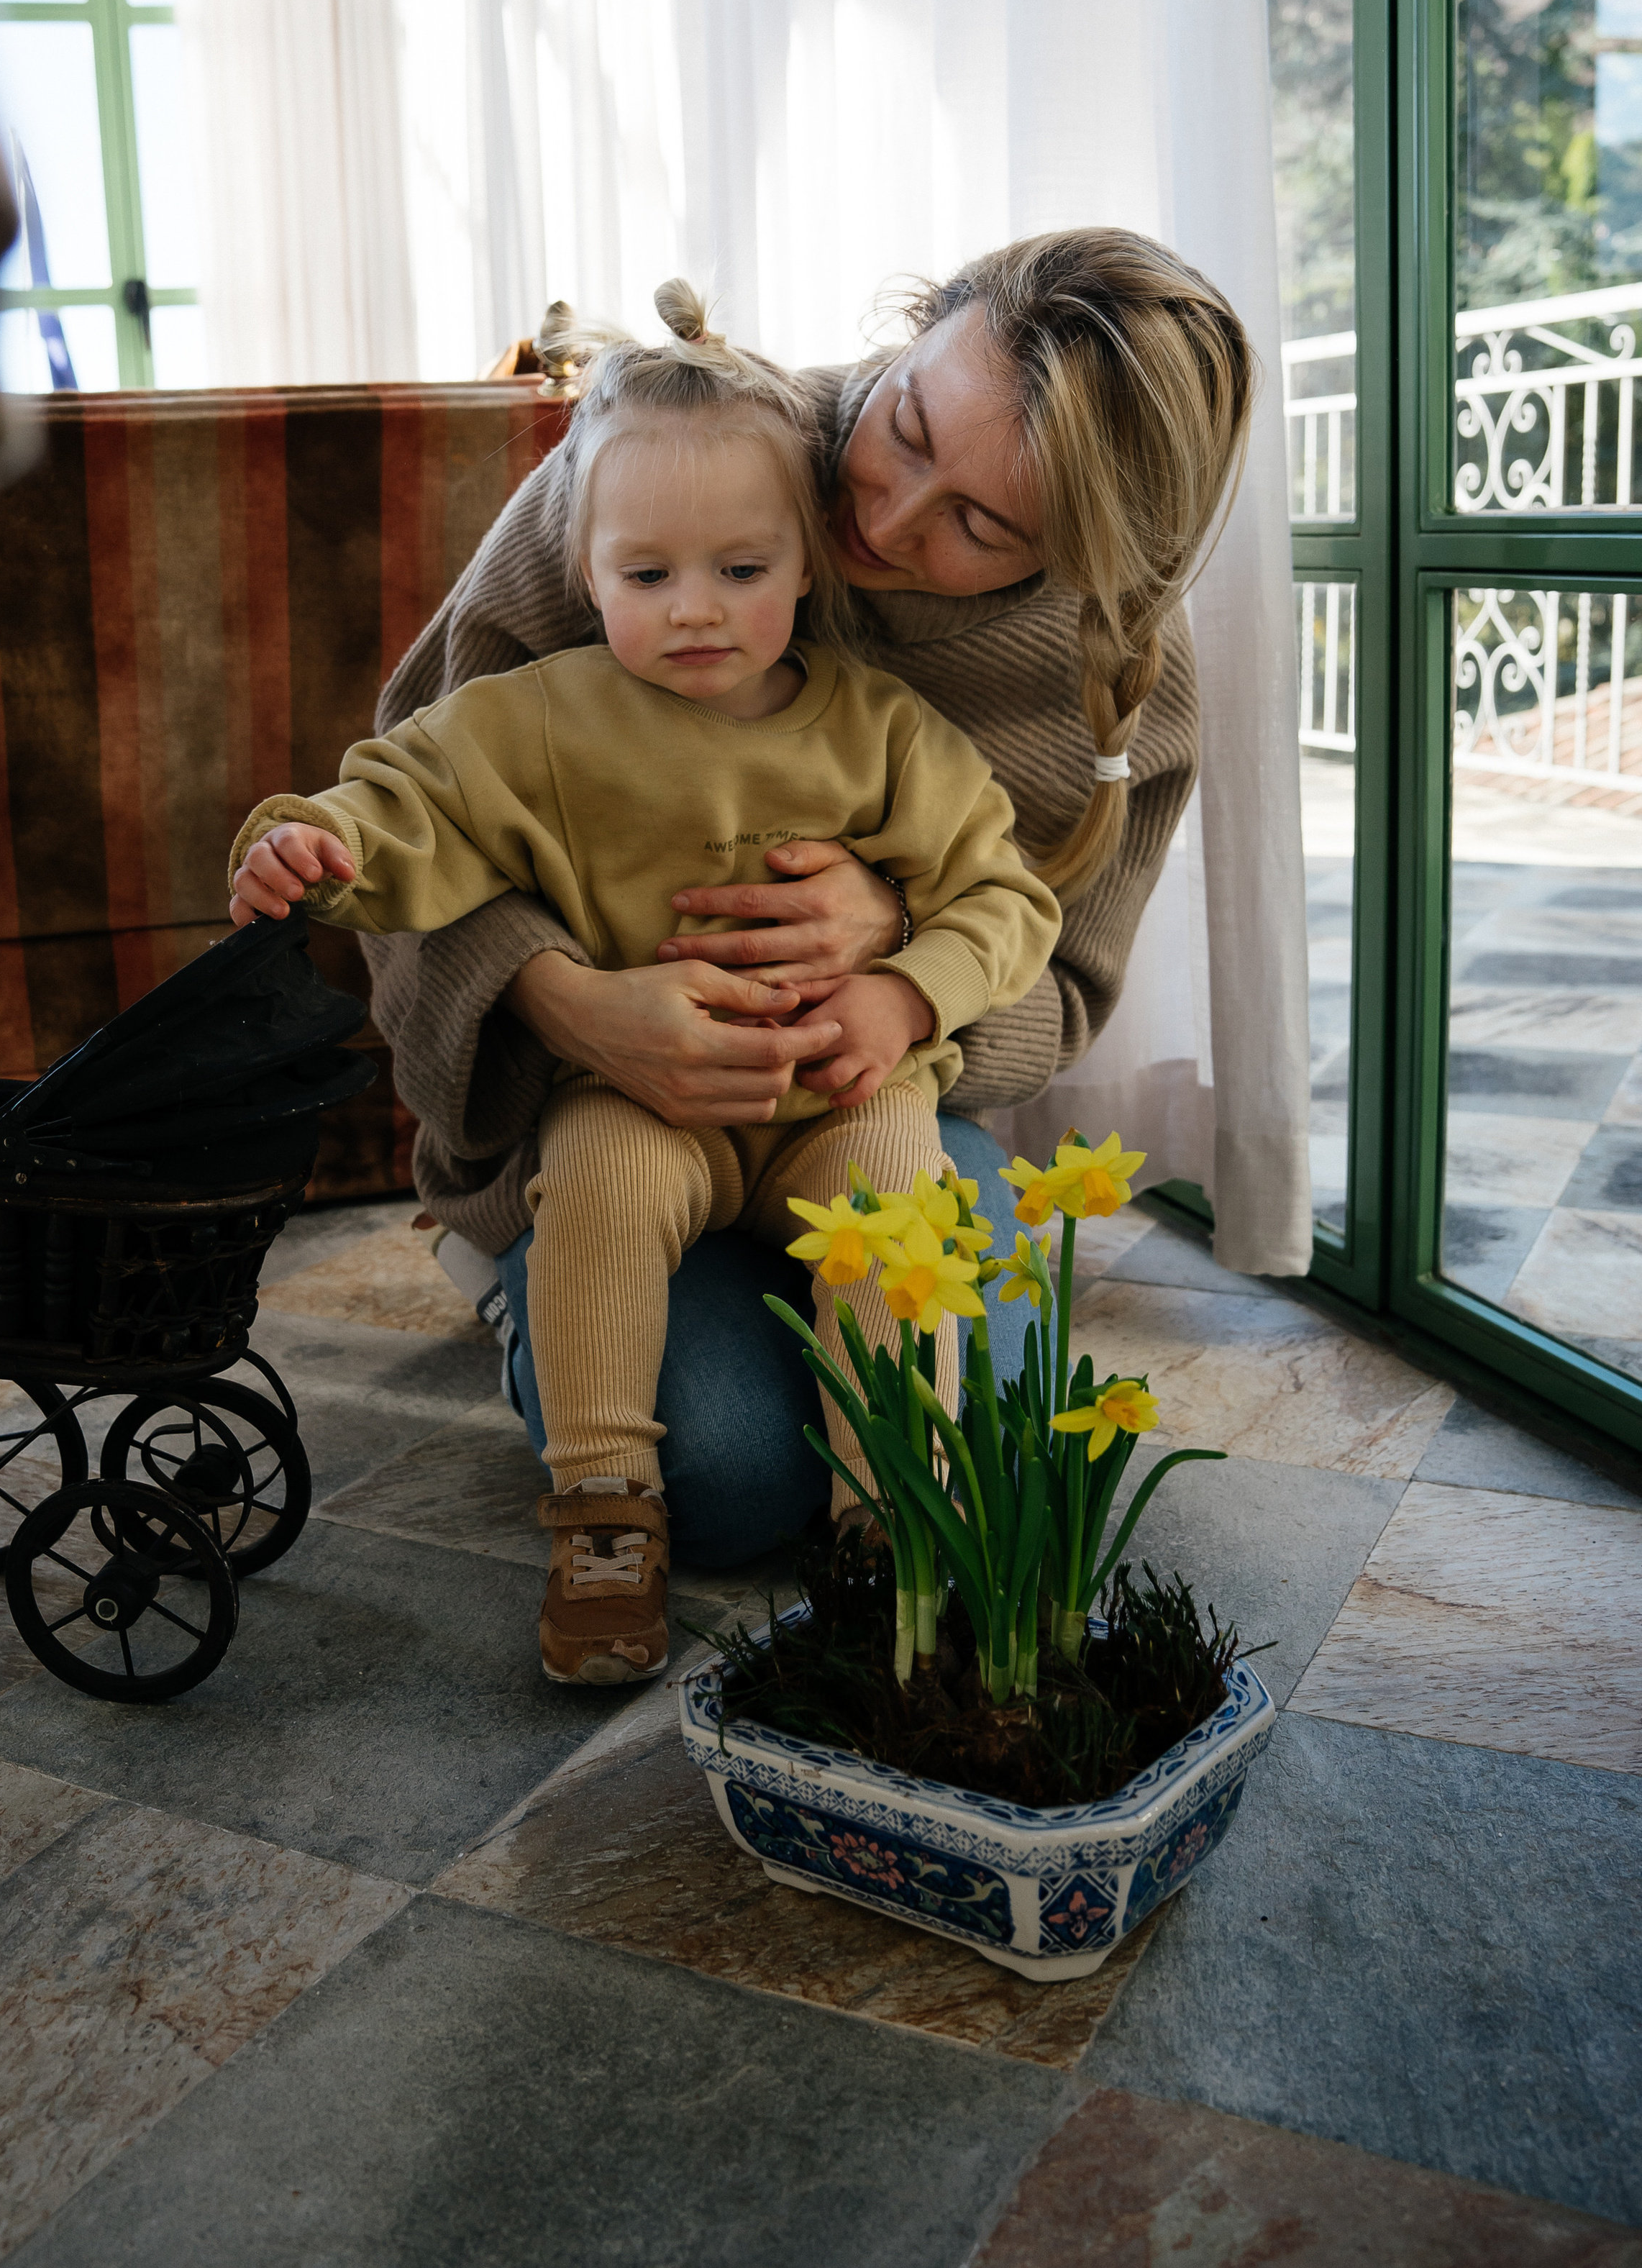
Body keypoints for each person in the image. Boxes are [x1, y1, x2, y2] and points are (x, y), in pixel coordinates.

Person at [359, 230, 1258, 1577]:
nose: (885, 519)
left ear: (1078, 555)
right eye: (905, 426)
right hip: (613, 1107)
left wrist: (898, 951)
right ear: (907, 331)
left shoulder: (1122, 673)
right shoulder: (676, 469)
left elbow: (1062, 982)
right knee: (721, 1484)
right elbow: (408, 830)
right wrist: (572, 1006)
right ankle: (520, 1273)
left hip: (867, 1114)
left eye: (982, 525)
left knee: (958, 1449)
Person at [229, 285, 1059, 1686]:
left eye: (740, 570)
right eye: (647, 575)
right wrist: (306, 847)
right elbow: (393, 811)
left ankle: (888, 1524)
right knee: (603, 1194)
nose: (694, 613)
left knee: (905, 1243)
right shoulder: (531, 720)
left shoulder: (883, 733)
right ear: (585, 567)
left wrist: (906, 995)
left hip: (834, 1095)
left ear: (806, 569)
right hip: (633, 1095)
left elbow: (1006, 902)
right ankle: (600, 1514)